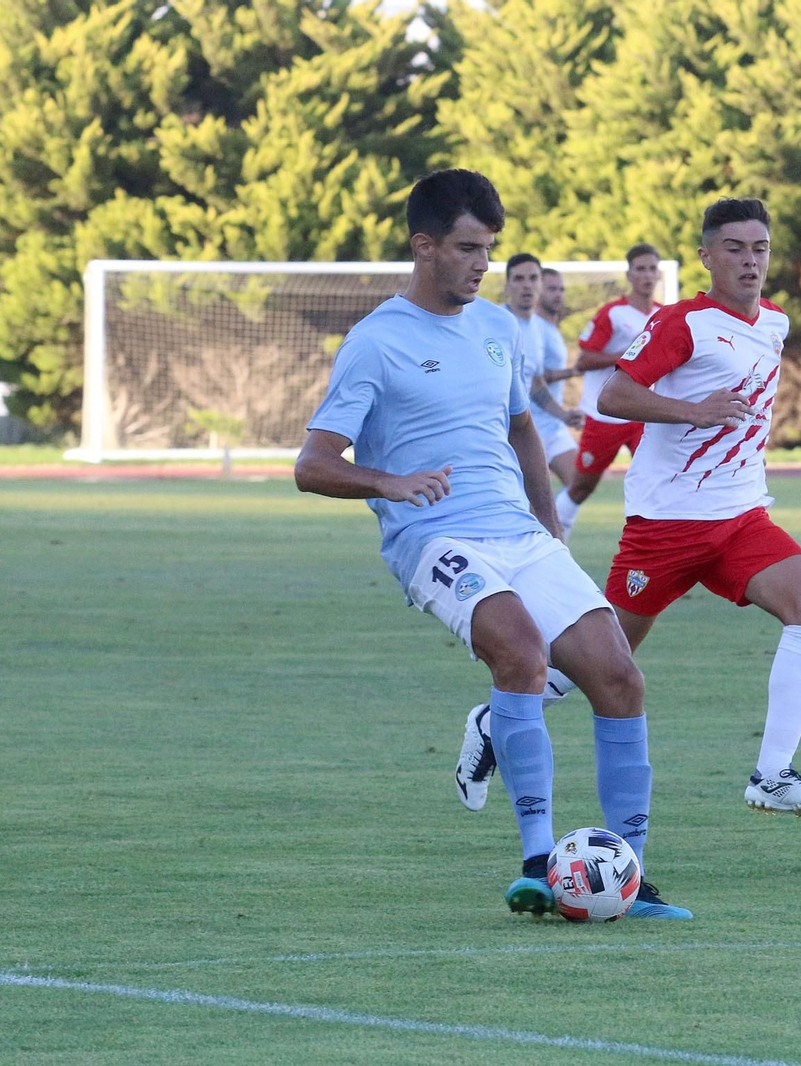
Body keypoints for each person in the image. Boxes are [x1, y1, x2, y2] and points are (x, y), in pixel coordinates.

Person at [293, 169, 690, 920]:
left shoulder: (496, 329)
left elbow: (520, 431)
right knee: (520, 653)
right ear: (424, 246)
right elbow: (313, 465)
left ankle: (629, 875)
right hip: (433, 536)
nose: (484, 265)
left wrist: (548, 529)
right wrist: (391, 482)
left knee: (619, 676)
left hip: (519, 533)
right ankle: (541, 863)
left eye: (489, 249)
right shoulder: (377, 342)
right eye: (470, 249)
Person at [596, 197, 801, 817]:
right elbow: (615, 394)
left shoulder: (776, 323)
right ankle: (495, 720)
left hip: (740, 518)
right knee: (596, 664)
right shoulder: (684, 322)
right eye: (734, 248)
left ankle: (773, 776)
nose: (749, 261)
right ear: (706, 256)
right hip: (666, 524)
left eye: (759, 248)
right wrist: (693, 411)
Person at [553, 243, 663, 538]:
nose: (647, 275)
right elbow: (584, 360)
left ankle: (648, 542)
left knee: (654, 481)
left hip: (642, 415)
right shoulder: (612, 314)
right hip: (605, 416)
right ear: (629, 274)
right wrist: (627, 354)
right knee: (581, 486)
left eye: (652, 268)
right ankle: (550, 535)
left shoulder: (663, 316)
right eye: (640, 268)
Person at [502, 254, 583, 488]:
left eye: (532, 278)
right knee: (530, 505)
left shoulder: (540, 328)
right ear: (507, 285)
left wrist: (564, 415)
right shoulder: (496, 322)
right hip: (510, 434)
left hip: (545, 427)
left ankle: (558, 526)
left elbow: (536, 382)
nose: (526, 285)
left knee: (578, 485)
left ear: (540, 283)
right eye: (518, 279)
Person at [534, 267, 582, 487]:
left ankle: (558, 522)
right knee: (532, 498)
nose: (558, 294)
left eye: (561, 289)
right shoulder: (532, 328)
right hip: (532, 424)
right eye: (551, 289)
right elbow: (533, 377)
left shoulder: (551, 328)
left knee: (578, 486)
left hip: (554, 424)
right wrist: (573, 371)